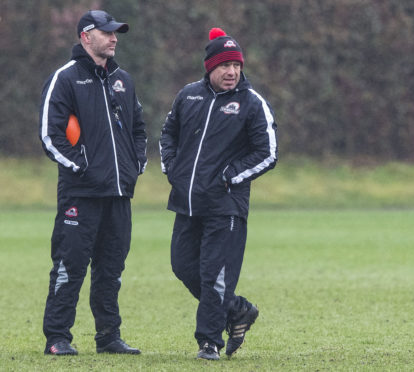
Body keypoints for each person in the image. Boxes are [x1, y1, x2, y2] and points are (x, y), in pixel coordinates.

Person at [159, 27, 277, 360]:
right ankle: (238, 309)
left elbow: (267, 152)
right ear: (210, 68)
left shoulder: (252, 104)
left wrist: (229, 176)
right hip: (187, 203)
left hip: (226, 206)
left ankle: (209, 342)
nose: (232, 72)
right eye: (225, 66)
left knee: (214, 275)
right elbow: (168, 136)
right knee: (182, 266)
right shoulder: (188, 96)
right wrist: (174, 170)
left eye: (237, 66)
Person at [38, 10, 147, 356]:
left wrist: (134, 166)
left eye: (116, 33)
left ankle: (108, 337)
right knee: (70, 266)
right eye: (107, 33)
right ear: (86, 36)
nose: (114, 38)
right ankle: (57, 338)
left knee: (111, 270)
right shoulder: (65, 79)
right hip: (80, 194)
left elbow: (139, 130)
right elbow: (50, 134)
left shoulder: (123, 81)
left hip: (118, 194)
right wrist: (82, 166)